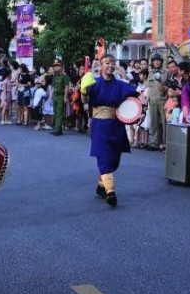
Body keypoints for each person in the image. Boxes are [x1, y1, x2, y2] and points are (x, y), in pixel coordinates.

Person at [81, 54, 139, 207]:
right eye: (107, 63)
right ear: (101, 65)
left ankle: (102, 185)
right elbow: (85, 102)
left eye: (113, 63)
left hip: (116, 125)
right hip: (99, 125)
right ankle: (110, 192)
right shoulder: (94, 83)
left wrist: (140, 110)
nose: (110, 66)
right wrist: (83, 90)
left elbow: (136, 98)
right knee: (104, 156)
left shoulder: (120, 85)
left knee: (114, 160)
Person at [144, 56, 166, 150]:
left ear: (161, 62)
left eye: (158, 60)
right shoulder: (150, 73)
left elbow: (165, 87)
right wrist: (145, 101)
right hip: (152, 100)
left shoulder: (166, 72)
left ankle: (165, 143)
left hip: (163, 100)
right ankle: (155, 143)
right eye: (154, 61)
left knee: (164, 123)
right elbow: (148, 87)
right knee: (154, 122)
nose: (156, 62)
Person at [51, 60, 69, 136]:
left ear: (62, 66)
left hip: (61, 96)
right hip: (55, 96)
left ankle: (58, 130)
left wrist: (65, 97)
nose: (55, 67)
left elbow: (66, 87)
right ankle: (58, 129)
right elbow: (53, 87)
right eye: (54, 66)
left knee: (59, 113)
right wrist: (52, 96)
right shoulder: (55, 77)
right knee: (55, 113)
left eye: (57, 65)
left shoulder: (65, 76)